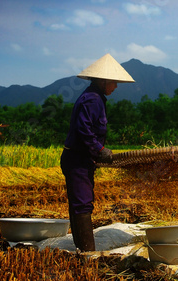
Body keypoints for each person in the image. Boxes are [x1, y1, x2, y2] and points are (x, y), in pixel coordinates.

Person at [61, 53, 135, 252]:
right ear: (103, 81)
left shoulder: (96, 98)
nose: (116, 87)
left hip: (82, 159)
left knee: (80, 204)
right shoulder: (92, 100)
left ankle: (82, 249)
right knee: (82, 204)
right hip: (77, 159)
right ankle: (88, 253)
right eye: (114, 83)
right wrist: (100, 150)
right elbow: (84, 130)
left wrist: (96, 153)